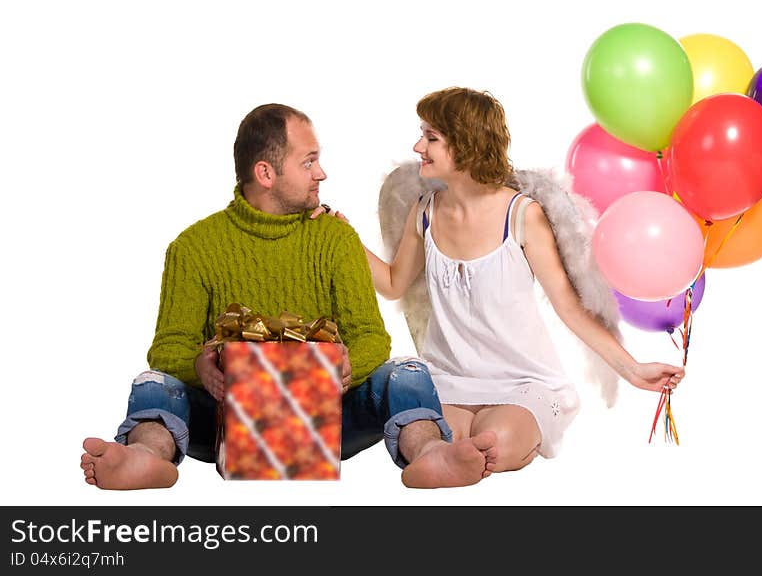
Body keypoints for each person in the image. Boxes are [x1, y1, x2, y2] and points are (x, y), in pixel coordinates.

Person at [80, 103, 497, 491]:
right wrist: (204, 369)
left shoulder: (335, 238)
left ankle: (428, 452)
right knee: (153, 384)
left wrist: (345, 369)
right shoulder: (193, 248)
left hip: (325, 418)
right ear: (266, 173)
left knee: (407, 370)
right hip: (229, 420)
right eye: (308, 161)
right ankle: (147, 455)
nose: (322, 174)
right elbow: (167, 347)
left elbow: (371, 336)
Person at [321, 87, 685, 488]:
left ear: (466, 146)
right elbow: (392, 283)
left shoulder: (522, 216)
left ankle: (474, 454)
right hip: (448, 379)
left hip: (521, 383)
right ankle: (444, 458)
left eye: (431, 137)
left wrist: (633, 370)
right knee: (427, 436)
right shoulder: (424, 212)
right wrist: (345, 234)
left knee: (494, 441)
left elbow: (569, 307)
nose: (417, 146)